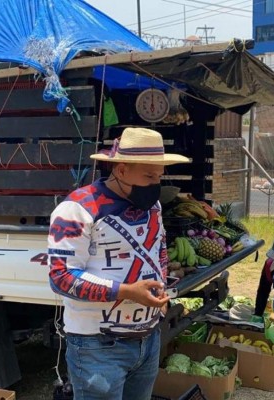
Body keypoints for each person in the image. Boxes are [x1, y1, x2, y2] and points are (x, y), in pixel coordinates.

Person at [47, 127, 190, 399]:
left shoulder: (154, 207)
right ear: (121, 170)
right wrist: (126, 292)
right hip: (97, 346)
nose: (155, 184)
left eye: (158, 176)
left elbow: (158, 250)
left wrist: (163, 289)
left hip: (148, 340)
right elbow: (61, 277)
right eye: (148, 175)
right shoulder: (77, 208)